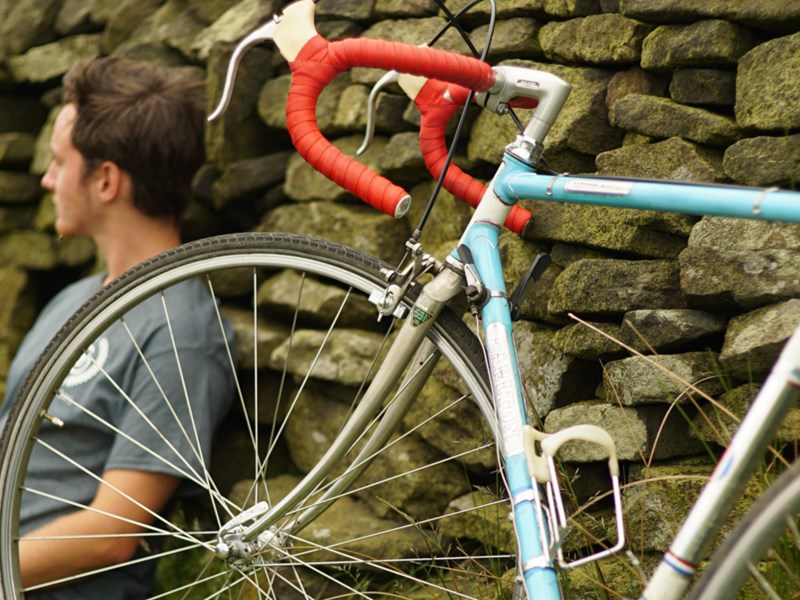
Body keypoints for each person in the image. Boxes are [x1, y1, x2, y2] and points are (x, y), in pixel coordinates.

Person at [0, 57, 236, 597]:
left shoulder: (181, 333)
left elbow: (110, 534)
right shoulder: (74, 299)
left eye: (59, 162)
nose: (47, 179)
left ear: (106, 179)